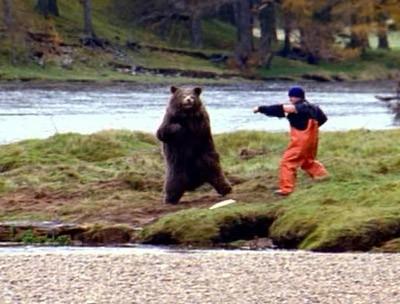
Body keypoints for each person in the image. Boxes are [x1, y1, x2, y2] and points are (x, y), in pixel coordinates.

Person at [253, 86, 329, 196]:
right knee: (307, 162)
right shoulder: (315, 108)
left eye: (291, 97)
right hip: (312, 141)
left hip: (301, 141)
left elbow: (280, 109)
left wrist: (260, 109)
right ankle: (323, 177)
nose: (290, 99)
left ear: (295, 97)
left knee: (288, 162)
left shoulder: (299, 107)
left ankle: (286, 189)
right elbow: (323, 119)